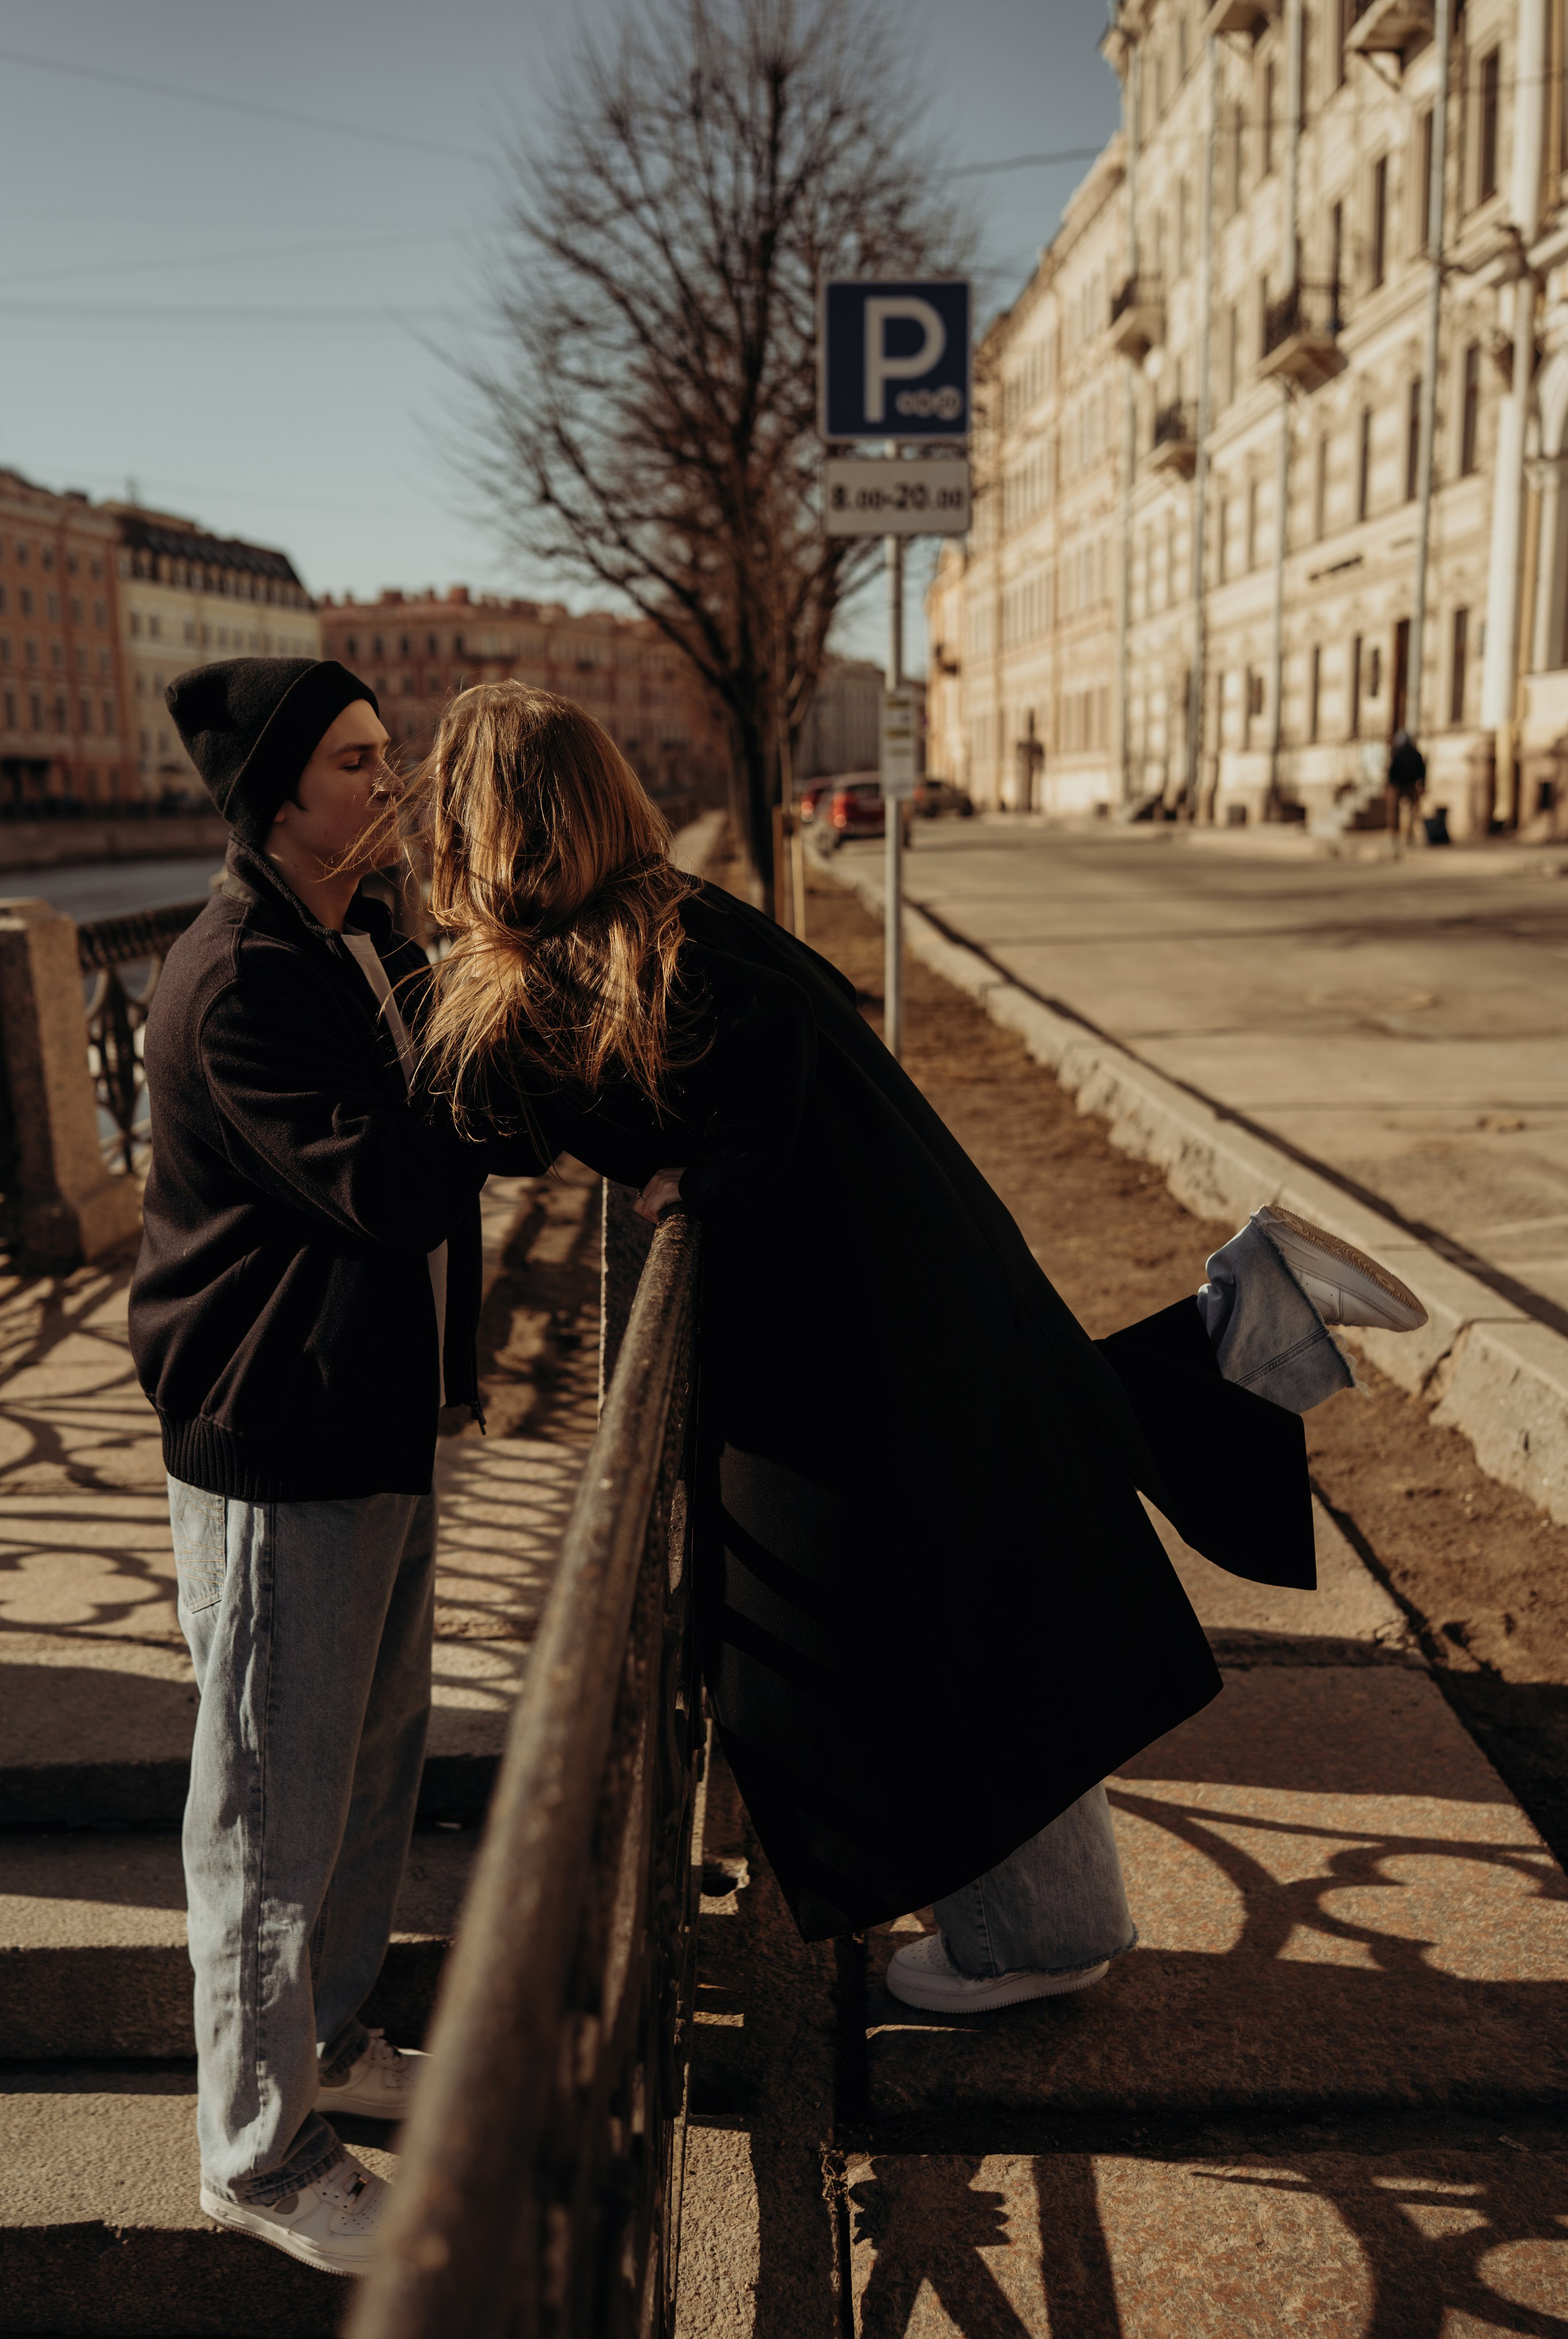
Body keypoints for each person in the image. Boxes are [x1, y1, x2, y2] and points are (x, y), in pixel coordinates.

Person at [402, 679, 1428, 2016]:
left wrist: (677, 1173)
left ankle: (1040, 1934)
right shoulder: (680, 922)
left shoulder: (569, 975)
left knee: (901, 1619)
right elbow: (769, 1078)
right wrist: (691, 1172)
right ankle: (1244, 1313)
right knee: (1015, 1544)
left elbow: (458, 1129)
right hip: (928, 1277)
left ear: (488, 833)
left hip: (853, 1342)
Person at [129, 657, 503, 2277]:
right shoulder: (239, 979)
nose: (395, 781)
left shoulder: (363, 936)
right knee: (273, 1809)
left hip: (375, 1419)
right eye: (362, 761)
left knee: (369, 1772)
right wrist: (505, 1051)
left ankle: (333, 2039)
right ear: (281, 795)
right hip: (279, 1442)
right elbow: (395, 1186)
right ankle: (258, 2150)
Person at [1386, 727, 1427, 852]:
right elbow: (1422, 771)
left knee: (1396, 812)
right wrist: (1422, 785)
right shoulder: (1415, 753)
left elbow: (1391, 771)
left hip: (1400, 786)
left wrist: (1389, 785)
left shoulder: (1398, 754)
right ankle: (1408, 835)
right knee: (1412, 811)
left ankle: (1396, 835)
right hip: (1410, 785)